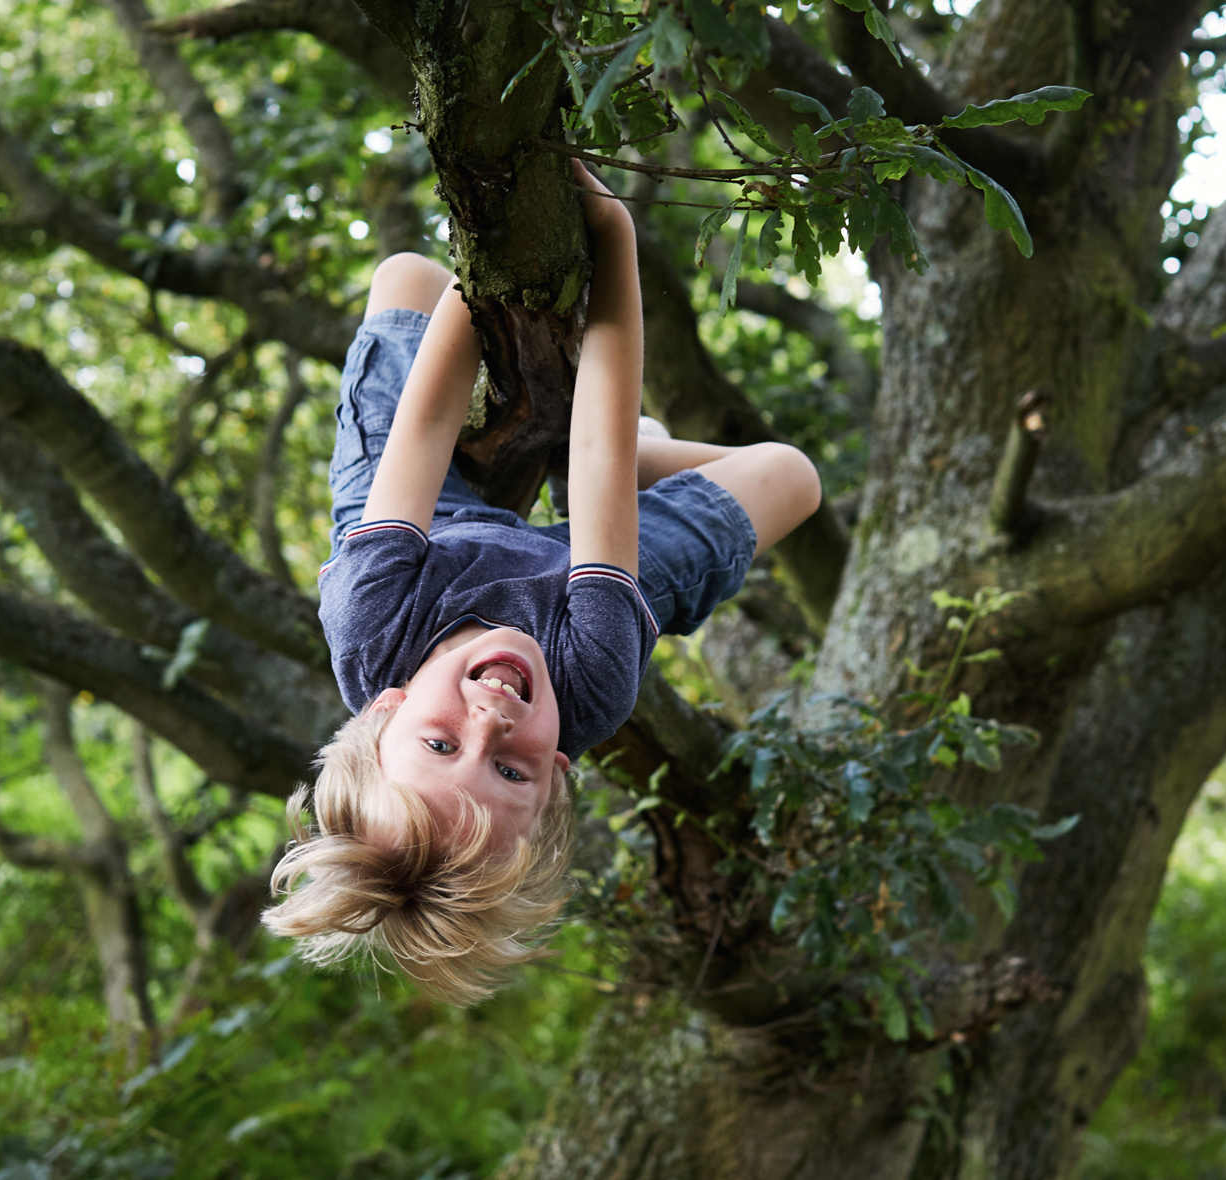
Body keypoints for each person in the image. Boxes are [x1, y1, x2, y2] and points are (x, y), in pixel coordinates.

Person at [261, 163, 823, 1004]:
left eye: (443, 745)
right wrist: (613, 237)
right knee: (793, 477)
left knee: (407, 278)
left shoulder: (369, 620)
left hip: (431, 522)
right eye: (514, 773)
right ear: (559, 771)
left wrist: (487, 263)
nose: (491, 723)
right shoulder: (593, 676)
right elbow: (598, 459)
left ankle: (615, 451)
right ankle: (640, 457)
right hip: (574, 579)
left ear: (386, 709)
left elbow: (426, 420)